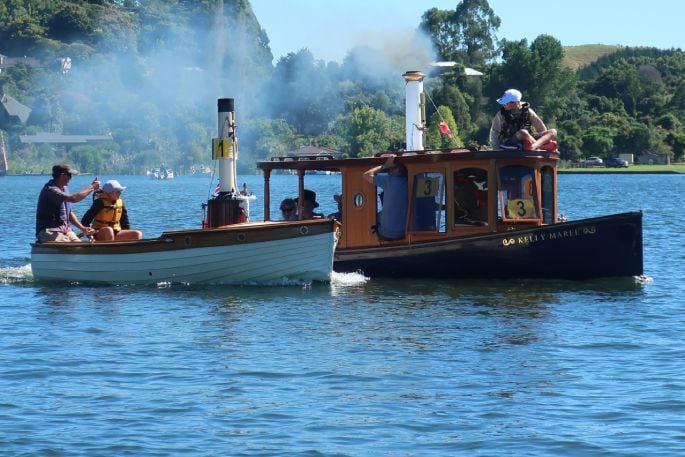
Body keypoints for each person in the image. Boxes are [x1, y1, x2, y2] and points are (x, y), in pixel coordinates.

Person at [35, 163, 100, 242]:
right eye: (69, 175)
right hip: (48, 231)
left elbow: (69, 213)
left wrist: (83, 228)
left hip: (65, 230)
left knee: (79, 246)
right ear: (62, 175)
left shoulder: (64, 188)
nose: (71, 178)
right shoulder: (51, 190)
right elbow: (74, 198)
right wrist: (92, 187)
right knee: (72, 247)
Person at [489, 89, 557, 151]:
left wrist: (548, 141)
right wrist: (496, 149)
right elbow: (494, 132)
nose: (503, 105)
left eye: (506, 103)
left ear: (515, 103)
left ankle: (534, 146)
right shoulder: (501, 114)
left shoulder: (528, 111)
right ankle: (539, 148)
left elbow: (540, 128)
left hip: (529, 138)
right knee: (523, 132)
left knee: (553, 131)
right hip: (511, 140)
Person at [363, 155, 408, 240]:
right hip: (403, 232)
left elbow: (366, 175)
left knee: (374, 219)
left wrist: (385, 166)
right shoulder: (408, 181)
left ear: (398, 171)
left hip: (388, 233)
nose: (387, 171)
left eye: (391, 168)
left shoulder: (389, 180)